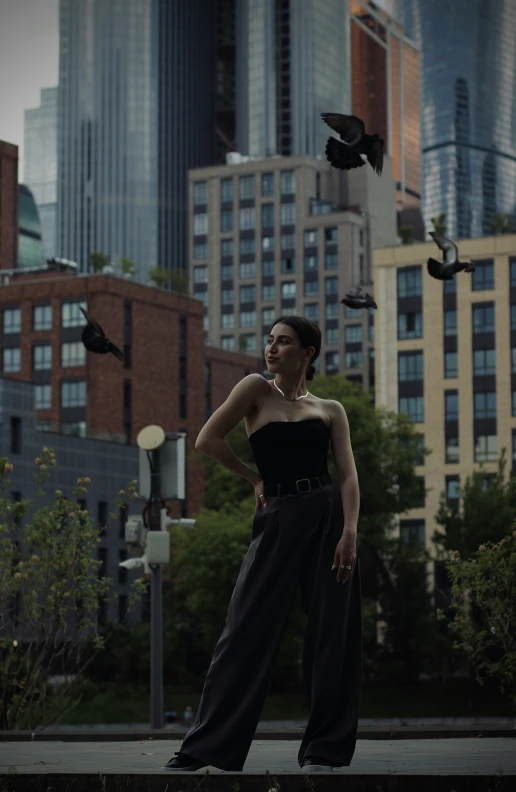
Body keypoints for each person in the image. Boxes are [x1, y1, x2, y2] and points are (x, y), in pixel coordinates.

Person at [163, 316, 361, 775]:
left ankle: (325, 750)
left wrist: (349, 532)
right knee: (244, 629)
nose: (272, 348)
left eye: (284, 342)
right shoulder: (255, 388)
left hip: (329, 516)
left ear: (307, 352)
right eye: (270, 340)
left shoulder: (330, 408)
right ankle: (206, 749)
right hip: (278, 516)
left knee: (334, 633)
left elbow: (349, 475)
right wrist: (254, 477)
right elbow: (206, 440)